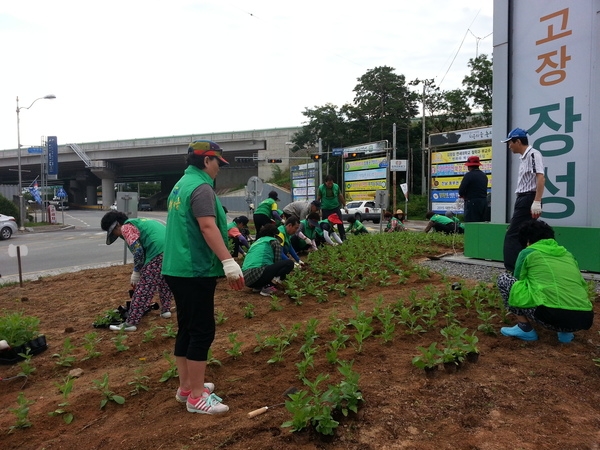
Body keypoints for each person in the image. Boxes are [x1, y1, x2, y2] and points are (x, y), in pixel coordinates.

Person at [161, 140, 244, 415]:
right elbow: (207, 227)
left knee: (186, 327)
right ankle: (197, 397)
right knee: (202, 331)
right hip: (194, 269)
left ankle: (186, 387)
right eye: (218, 162)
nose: (220, 168)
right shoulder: (201, 187)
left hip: (176, 268)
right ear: (207, 160)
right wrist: (228, 262)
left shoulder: (181, 184)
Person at [497, 220, 593, 343]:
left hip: (549, 317)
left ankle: (525, 328)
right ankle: (566, 334)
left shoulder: (528, 252)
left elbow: (519, 280)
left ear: (527, 241)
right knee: (566, 289)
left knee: (505, 280)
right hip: (583, 319)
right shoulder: (567, 254)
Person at [100, 211, 173, 332]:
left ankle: (131, 323)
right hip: (170, 250)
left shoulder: (126, 228)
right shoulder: (141, 222)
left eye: (113, 232)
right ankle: (166, 310)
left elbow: (138, 252)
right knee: (164, 282)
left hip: (157, 252)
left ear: (117, 225)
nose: (116, 235)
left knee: (144, 289)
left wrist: (136, 271)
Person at [501, 128, 545, 273]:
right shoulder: (525, 157)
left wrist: (537, 201)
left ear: (518, 141)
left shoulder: (533, 154)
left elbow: (540, 177)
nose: (509, 146)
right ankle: (525, 267)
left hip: (528, 198)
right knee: (525, 233)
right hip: (524, 198)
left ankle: (513, 270)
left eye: (510, 143)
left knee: (513, 234)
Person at [242, 223, 295, 296]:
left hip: (247, 278)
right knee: (289, 263)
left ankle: (259, 286)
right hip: (258, 273)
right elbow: (277, 261)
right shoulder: (274, 241)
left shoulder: (257, 242)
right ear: (274, 235)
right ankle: (269, 286)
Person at [458, 155, 489, 222]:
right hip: (483, 202)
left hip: (472, 202)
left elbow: (461, 190)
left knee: (471, 223)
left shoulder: (468, 175)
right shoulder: (484, 175)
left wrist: (463, 195)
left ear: (469, 166)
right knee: (481, 223)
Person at [317, 175, 346, 241]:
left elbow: (340, 196)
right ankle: (325, 240)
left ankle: (343, 238)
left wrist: (345, 205)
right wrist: (317, 209)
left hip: (335, 208)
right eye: (328, 183)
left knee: (340, 223)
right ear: (325, 182)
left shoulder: (336, 186)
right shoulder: (321, 188)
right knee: (326, 224)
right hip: (326, 209)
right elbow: (318, 198)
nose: (330, 185)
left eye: (331, 183)